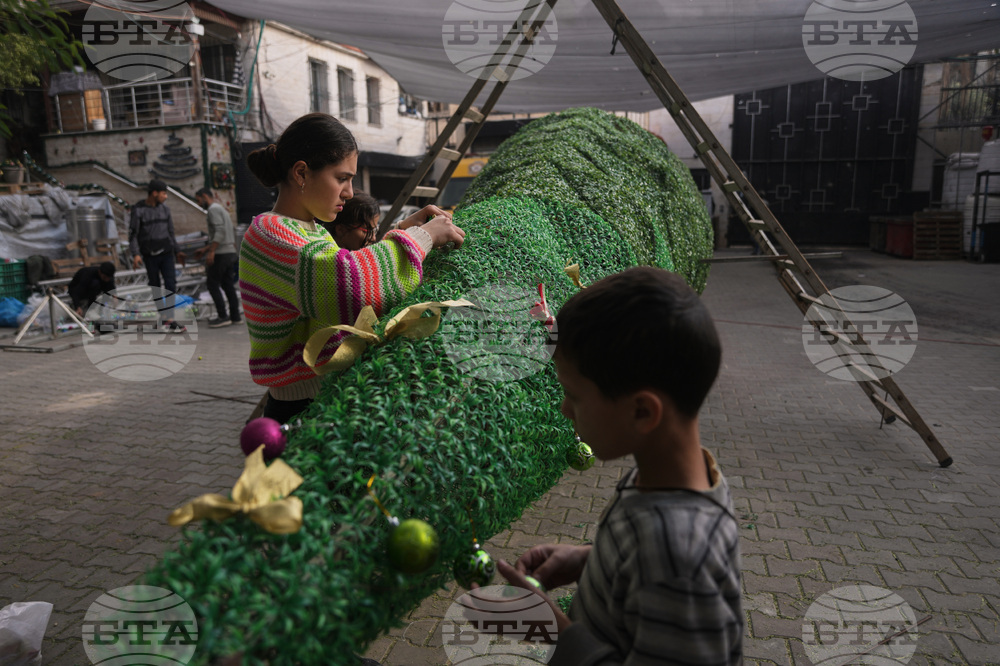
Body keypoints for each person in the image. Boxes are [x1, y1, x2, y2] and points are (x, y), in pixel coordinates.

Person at [496, 267, 743, 666]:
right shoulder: (671, 479)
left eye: (575, 397)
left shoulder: (680, 554)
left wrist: (555, 632)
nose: (564, 409)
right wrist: (593, 561)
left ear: (643, 412)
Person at [241, 112, 465, 424]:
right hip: (302, 409)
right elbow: (350, 288)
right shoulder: (271, 233)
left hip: (320, 397)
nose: (348, 193)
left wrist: (400, 232)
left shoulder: (309, 230)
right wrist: (422, 237)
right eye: (342, 178)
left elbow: (337, 274)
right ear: (302, 173)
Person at [129, 179, 187, 333]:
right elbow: (133, 234)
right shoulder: (139, 210)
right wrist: (135, 254)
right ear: (154, 193)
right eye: (163, 193)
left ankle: (169, 318)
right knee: (155, 286)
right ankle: (165, 317)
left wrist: (178, 250)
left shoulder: (165, 210)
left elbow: (171, 232)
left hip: (167, 253)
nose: (165, 196)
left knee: (170, 284)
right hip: (150, 255)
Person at [193, 188, 242, 328]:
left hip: (221, 254)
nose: (198, 204)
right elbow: (226, 232)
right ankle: (235, 316)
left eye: (198, 200)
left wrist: (212, 251)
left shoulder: (213, 210)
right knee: (227, 285)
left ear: (204, 196)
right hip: (229, 252)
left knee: (212, 284)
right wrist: (205, 249)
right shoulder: (221, 209)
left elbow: (220, 231)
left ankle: (222, 316)